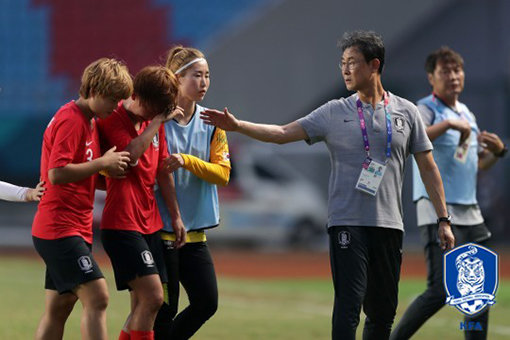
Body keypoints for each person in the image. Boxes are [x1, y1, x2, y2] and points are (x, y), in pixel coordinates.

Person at [201, 31, 455, 340]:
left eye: (352, 62)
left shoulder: (407, 112)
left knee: (382, 313)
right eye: (342, 63)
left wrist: (443, 219)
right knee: (348, 307)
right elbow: (281, 132)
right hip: (346, 222)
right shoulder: (334, 111)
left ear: (374, 65)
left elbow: (428, 167)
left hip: (389, 225)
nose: (345, 70)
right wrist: (239, 125)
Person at [390, 46, 507, 340]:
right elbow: (410, 137)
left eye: (457, 70)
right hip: (438, 210)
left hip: (470, 211)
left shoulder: (466, 112)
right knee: (440, 290)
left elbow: (477, 164)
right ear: (431, 78)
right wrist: (449, 124)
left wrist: (497, 152)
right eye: (445, 71)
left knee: (479, 289)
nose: (453, 76)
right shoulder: (425, 108)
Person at [31, 58, 132, 340]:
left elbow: (82, 173)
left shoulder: (87, 120)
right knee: (98, 296)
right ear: (95, 91)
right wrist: (103, 163)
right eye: (112, 99)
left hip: (74, 226)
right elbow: (56, 173)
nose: (115, 106)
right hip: (58, 229)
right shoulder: (71, 119)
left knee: (59, 308)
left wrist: (110, 174)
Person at [97, 65, 186, 340]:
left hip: (150, 222)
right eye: (153, 109)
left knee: (141, 305)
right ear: (137, 96)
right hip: (121, 223)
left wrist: (176, 215)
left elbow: (162, 171)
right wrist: (158, 122)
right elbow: (130, 157)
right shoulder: (113, 118)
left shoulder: (152, 121)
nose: (154, 115)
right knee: (154, 298)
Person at [153, 46, 231, 340]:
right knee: (164, 308)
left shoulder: (213, 124)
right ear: (177, 78)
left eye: (207, 75)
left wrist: (187, 160)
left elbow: (222, 173)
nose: (204, 82)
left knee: (206, 303)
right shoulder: (159, 121)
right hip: (162, 232)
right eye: (197, 75)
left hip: (195, 234)